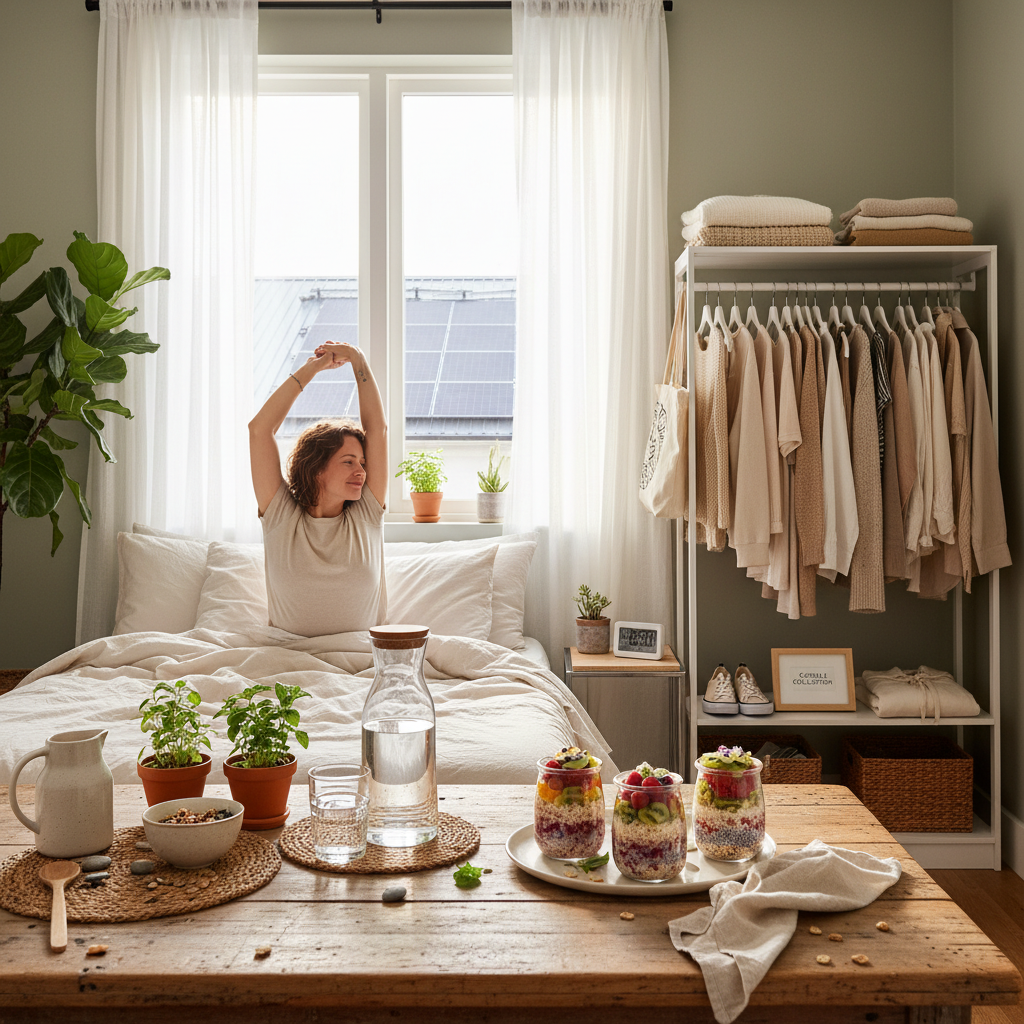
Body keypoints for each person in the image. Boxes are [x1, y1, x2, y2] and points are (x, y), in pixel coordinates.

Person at [248, 341, 388, 637]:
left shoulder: (365, 514)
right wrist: (315, 366)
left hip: (362, 660)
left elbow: (377, 429)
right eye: (349, 461)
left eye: (362, 462)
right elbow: (259, 429)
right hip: (288, 659)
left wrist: (358, 360)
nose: (361, 471)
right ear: (317, 468)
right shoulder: (282, 518)